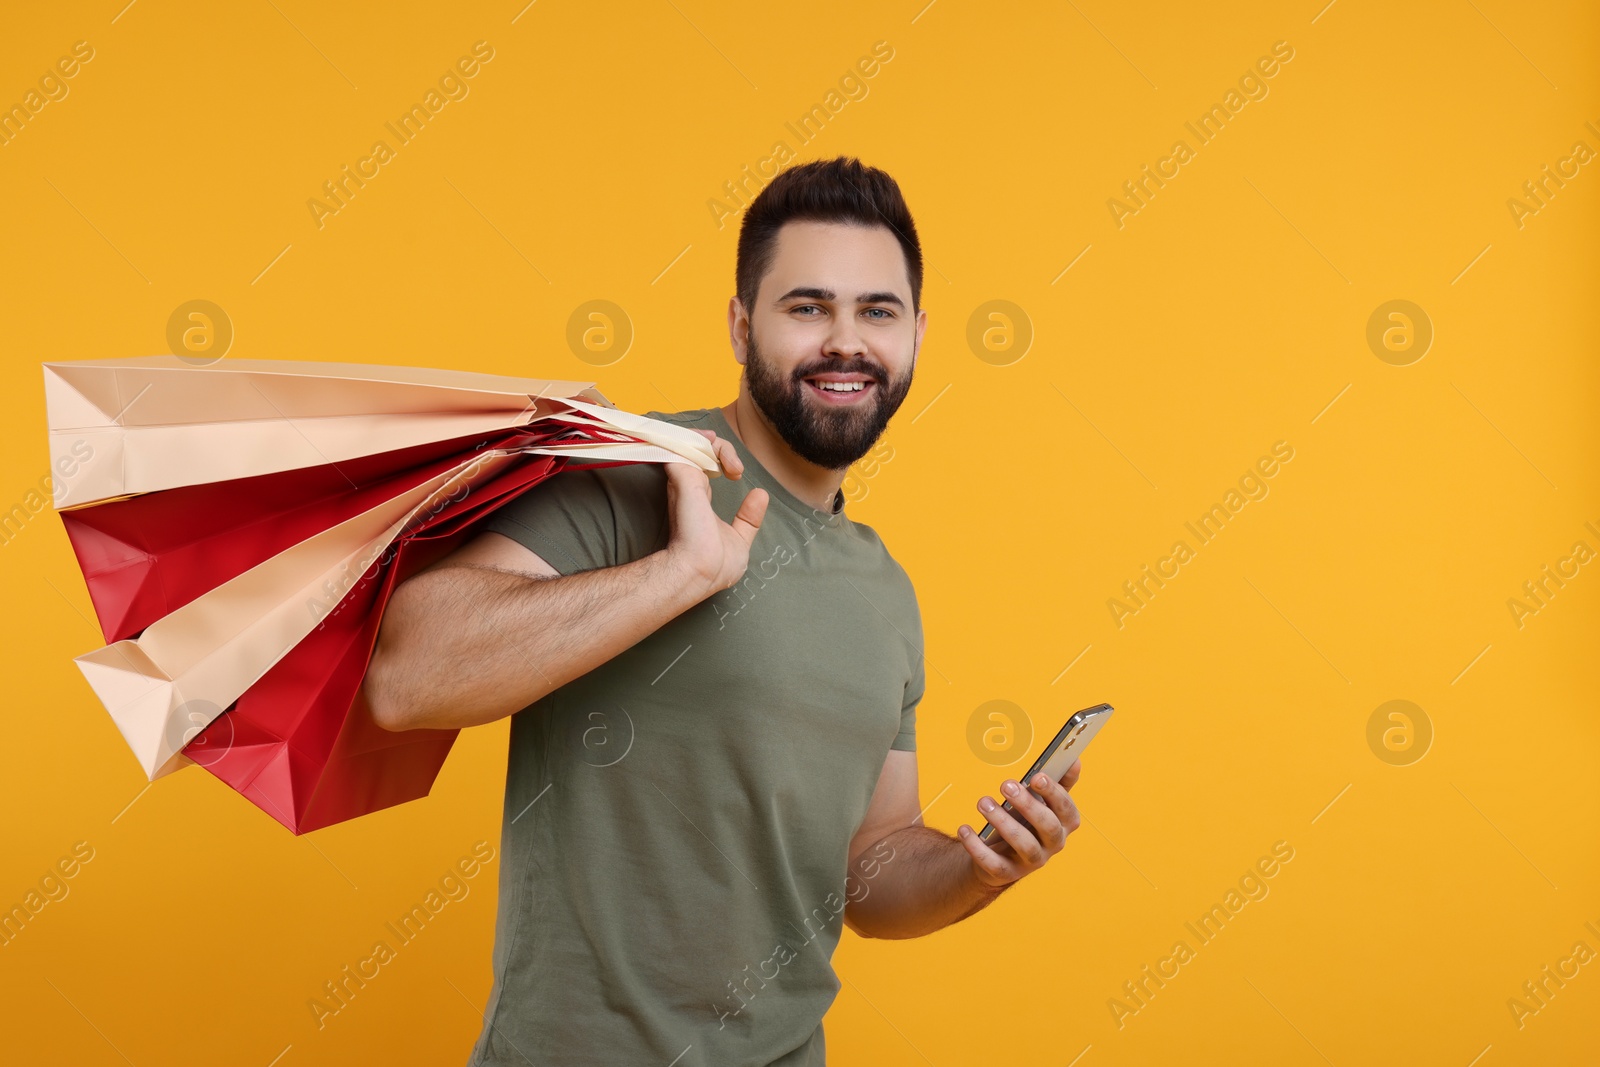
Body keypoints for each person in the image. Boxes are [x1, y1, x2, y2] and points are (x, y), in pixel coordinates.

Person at [363, 156, 1084, 1066]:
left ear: (917, 335)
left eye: (877, 311)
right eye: (807, 306)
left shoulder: (885, 591)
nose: (845, 342)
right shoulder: (640, 472)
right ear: (742, 325)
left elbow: (870, 871)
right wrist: (676, 575)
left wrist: (982, 869)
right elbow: (408, 674)